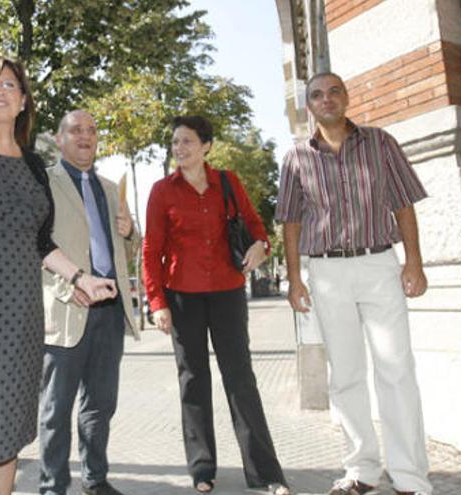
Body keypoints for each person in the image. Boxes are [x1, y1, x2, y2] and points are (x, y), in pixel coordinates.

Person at [0, 56, 117, 495]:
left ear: (23, 100)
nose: (0, 91)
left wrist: (80, 278)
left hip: (22, 318)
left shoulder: (33, 165)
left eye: (9, 84)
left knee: (9, 441)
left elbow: (41, 242)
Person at [276, 72, 432, 495]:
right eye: (316, 95)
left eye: (333, 92)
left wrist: (413, 261)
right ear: (309, 105)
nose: (326, 99)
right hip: (326, 274)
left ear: (346, 98)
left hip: (379, 265)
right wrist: (294, 279)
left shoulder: (381, 143)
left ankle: (410, 478)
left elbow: (403, 205)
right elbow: (290, 222)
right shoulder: (295, 158)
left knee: (396, 369)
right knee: (345, 374)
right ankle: (361, 470)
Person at [143, 115, 291, 495]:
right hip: (182, 296)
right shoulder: (162, 190)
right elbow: (151, 250)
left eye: (187, 141)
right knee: (193, 380)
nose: (180, 149)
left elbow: (258, 228)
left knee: (240, 377)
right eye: (175, 142)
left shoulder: (228, 181)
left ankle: (265, 474)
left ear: (206, 145)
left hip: (227, 291)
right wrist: (157, 301)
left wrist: (263, 246)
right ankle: (202, 469)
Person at [38, 110, 141, 495]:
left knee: (100, 404)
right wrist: (69, 287)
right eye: (75, 130)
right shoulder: (44, 182)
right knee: (56, 408)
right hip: (66, 306)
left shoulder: (111, 187)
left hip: (109, 311)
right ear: (59, 138)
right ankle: (52, 486)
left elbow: (127, 247)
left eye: (92, 130)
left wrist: (131, 232)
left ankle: (95, 480)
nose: (85, 136)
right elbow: (34, 245)